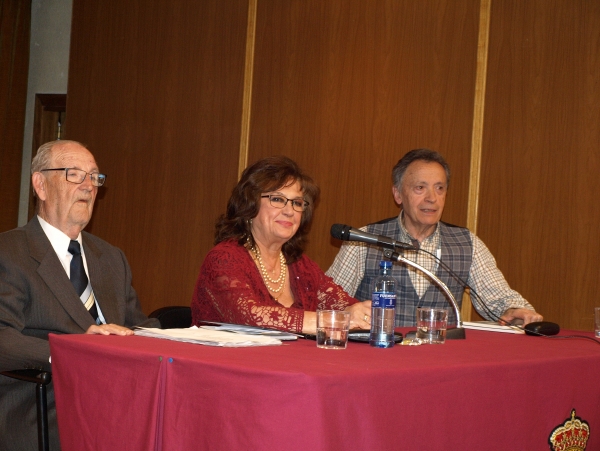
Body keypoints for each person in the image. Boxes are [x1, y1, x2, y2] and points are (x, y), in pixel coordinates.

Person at [0, 140, 159, 451]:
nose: (88, 186)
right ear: (40, 185)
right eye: (74, 174)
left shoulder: (111, 257)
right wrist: (75, 351)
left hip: (116, 397)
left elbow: (137, 324)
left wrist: (159, 338)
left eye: (95, 177)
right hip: (43, 402)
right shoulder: (10, 252)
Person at [326, 148, 543, 327]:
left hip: (442, 360)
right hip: (379, 357)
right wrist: (349, 312)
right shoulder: (364, 241)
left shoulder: (466, 243)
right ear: (398, 194)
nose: (432, 198)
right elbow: (326, 302)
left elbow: (499, 299)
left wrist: (515, 311)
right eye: (420, 188)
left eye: (439, 188)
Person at [191, 156, 371, 334]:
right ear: (249, 205)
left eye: (297, 203)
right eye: (277, 199)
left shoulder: (302, 267)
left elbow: (347, 307)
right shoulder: (224, 259)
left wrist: (362, 313)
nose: (289, 211)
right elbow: (250, 316)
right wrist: (337, 320)